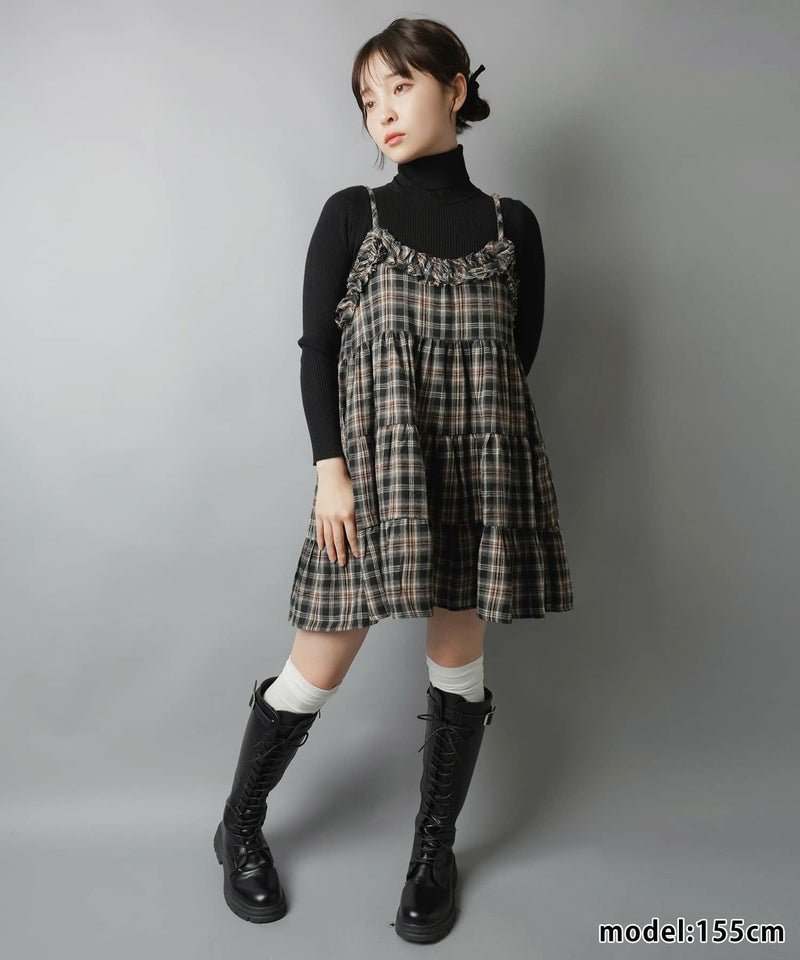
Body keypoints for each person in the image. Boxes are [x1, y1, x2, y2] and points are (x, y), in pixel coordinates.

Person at [214, 16, 574, 943]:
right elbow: (317, 353)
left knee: (459, 669)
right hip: (373, 480)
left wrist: (471, 443)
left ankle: (432, 853)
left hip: (478, 476)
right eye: (367, 99)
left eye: (400, 87)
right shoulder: (352, 213)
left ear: (455, 88)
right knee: (313, 671)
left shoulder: (515, 227)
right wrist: (331, 471)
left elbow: (515, 359)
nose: (382, 111)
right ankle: (238, 825)